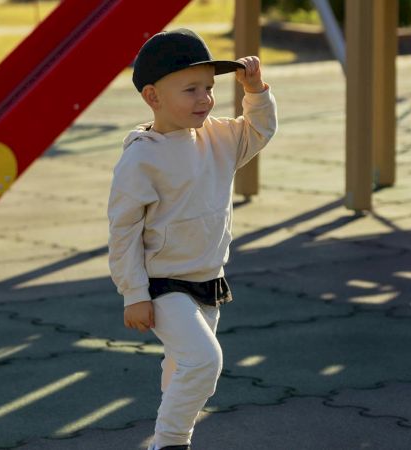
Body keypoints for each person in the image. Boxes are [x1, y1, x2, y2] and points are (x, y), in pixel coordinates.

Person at [107, 28, 277, 450]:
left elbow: (259, 130)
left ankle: (169, 437)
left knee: (185, 369)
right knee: (205, 361)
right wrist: (134, 294)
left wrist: (255, 92)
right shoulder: (142, 157)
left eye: (209, 88)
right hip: (162, 285)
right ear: (153, 96)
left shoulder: (219, 138)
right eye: (191, 89)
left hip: (207, 279)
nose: (205, 98)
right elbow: (123, 230)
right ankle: (170, 442)